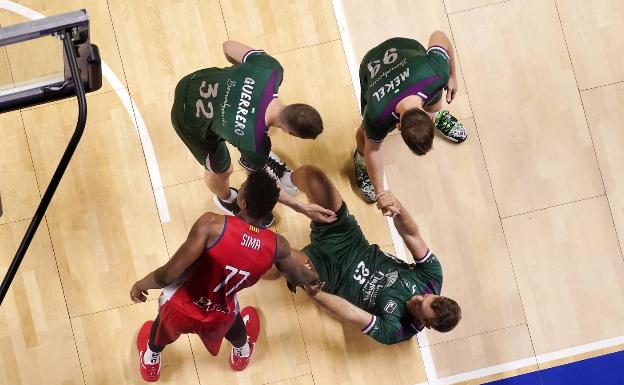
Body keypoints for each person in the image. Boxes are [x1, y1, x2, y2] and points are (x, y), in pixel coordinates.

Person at [130, 171, 322, 382]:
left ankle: (150, 359)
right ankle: (242, 353)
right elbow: (298, 274)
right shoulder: (277, 245)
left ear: (242, 202)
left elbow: (167, 276)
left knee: (161, 328)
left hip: (180, 307)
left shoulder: (212, 225)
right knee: (233, 320)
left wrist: (141, 284)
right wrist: (314, 280)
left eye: (242, 188)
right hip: (219, 313)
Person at [285, 165, 461, 344]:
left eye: (418, 306)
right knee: (314, 177)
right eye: (424, 297)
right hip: (351, 242)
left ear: (426, 324)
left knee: (280, 255)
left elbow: (351, 313)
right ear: (438, 296)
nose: (417, 297)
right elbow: (411, 235)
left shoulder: (396, 331)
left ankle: (257, 242)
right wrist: (397, 207)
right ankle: (284, 180)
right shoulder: (432, 277)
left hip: (330, 276)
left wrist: (317, 296)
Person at [172, 40, 335, 227]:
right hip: (188, 119)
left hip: (193, 80)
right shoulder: (255, 144)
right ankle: (226, 199)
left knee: (246, 146)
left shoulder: (272, 70)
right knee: (222, 170)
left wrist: (240, 83)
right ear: (288, 132)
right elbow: (259, 183)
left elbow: (228, 46)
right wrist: (301, 207)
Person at [353, 32, 467, 207]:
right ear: (397, 126)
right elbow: (372, 151)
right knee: (365, 136)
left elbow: (440, 36)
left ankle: (438, 114)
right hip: (370, 64)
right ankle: (360, 162)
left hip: (405, 47)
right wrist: (381, 192)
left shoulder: (437, 73)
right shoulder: (377, 113)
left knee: (436, 88)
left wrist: (451, 76)